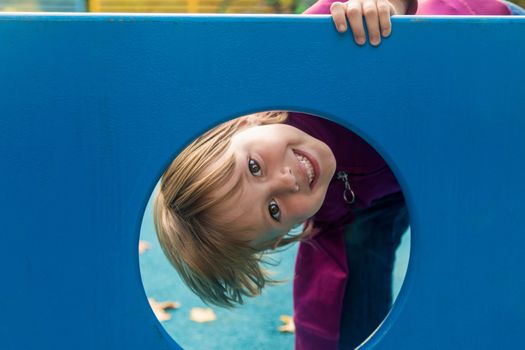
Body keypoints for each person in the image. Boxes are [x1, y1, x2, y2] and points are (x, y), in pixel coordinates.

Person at [154, 1, 520, 349]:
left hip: (480, 63)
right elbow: (320, 305)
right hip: (378, 188)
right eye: (274, 211)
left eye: (254, 167)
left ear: (246, 121)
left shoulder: (303, 61)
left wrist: (384, 7)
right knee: (346, 258)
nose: (285, 182)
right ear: (282, 238)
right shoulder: (319, 203)